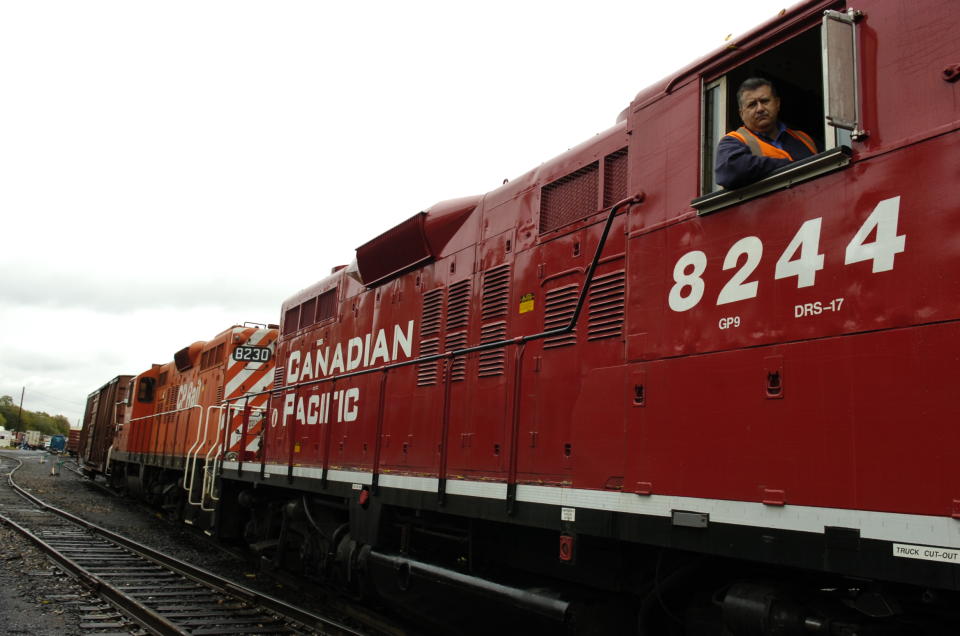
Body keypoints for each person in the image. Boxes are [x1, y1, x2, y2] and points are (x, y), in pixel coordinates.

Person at [715, 78, 817, 189]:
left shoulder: (805, 139)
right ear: (742, 113)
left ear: (777, 103)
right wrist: (789, 165)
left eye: (764, 101)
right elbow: (729, 170)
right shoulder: (733, 141)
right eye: (752, 104)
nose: (760, 109)